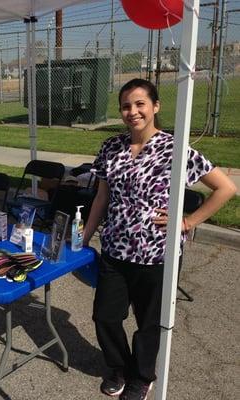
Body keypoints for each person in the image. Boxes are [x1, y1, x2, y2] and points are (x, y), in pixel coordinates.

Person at [82, 79, 236, 400]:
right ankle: (119, 366)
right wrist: (86, 235)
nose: (133, 111)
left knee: (149, 322)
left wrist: (188, 221)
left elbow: (225, 188)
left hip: (157, 254)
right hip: (114, 249)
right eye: (126, 106)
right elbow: (101, 197)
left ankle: (142, 375)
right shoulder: (112, 147)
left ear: (155, 107)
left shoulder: (175, 149)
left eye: (140, 104)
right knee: (105, 316)